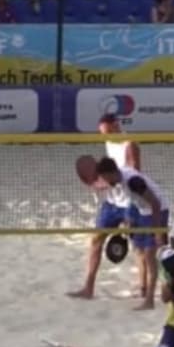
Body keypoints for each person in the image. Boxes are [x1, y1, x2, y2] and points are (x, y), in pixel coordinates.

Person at [67, 114, 141, 302]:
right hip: (111, 202)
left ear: (116, 126)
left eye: (107, 132)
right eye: (102, 134)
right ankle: (88, 288)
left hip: (128, 202)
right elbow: (109, 173)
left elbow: (135, 178)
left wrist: (130, 212)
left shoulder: (129, 144)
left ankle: (143, 288)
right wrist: (100, 183)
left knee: (140, 247)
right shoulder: (109, 142)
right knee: (96, 241)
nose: (105, 136)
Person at [95, 156, 168, 310]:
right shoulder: (120, 179)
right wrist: (129, 218)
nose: (105, 182)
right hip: (140, 209)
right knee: (138, 250)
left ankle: (150, 301)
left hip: (156, 211)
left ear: (110, 173)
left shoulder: (133, 181)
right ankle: (143, 290)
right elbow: (133, 199)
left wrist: (157, 232)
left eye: (104, 178)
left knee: (150, 256)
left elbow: (155, 203)